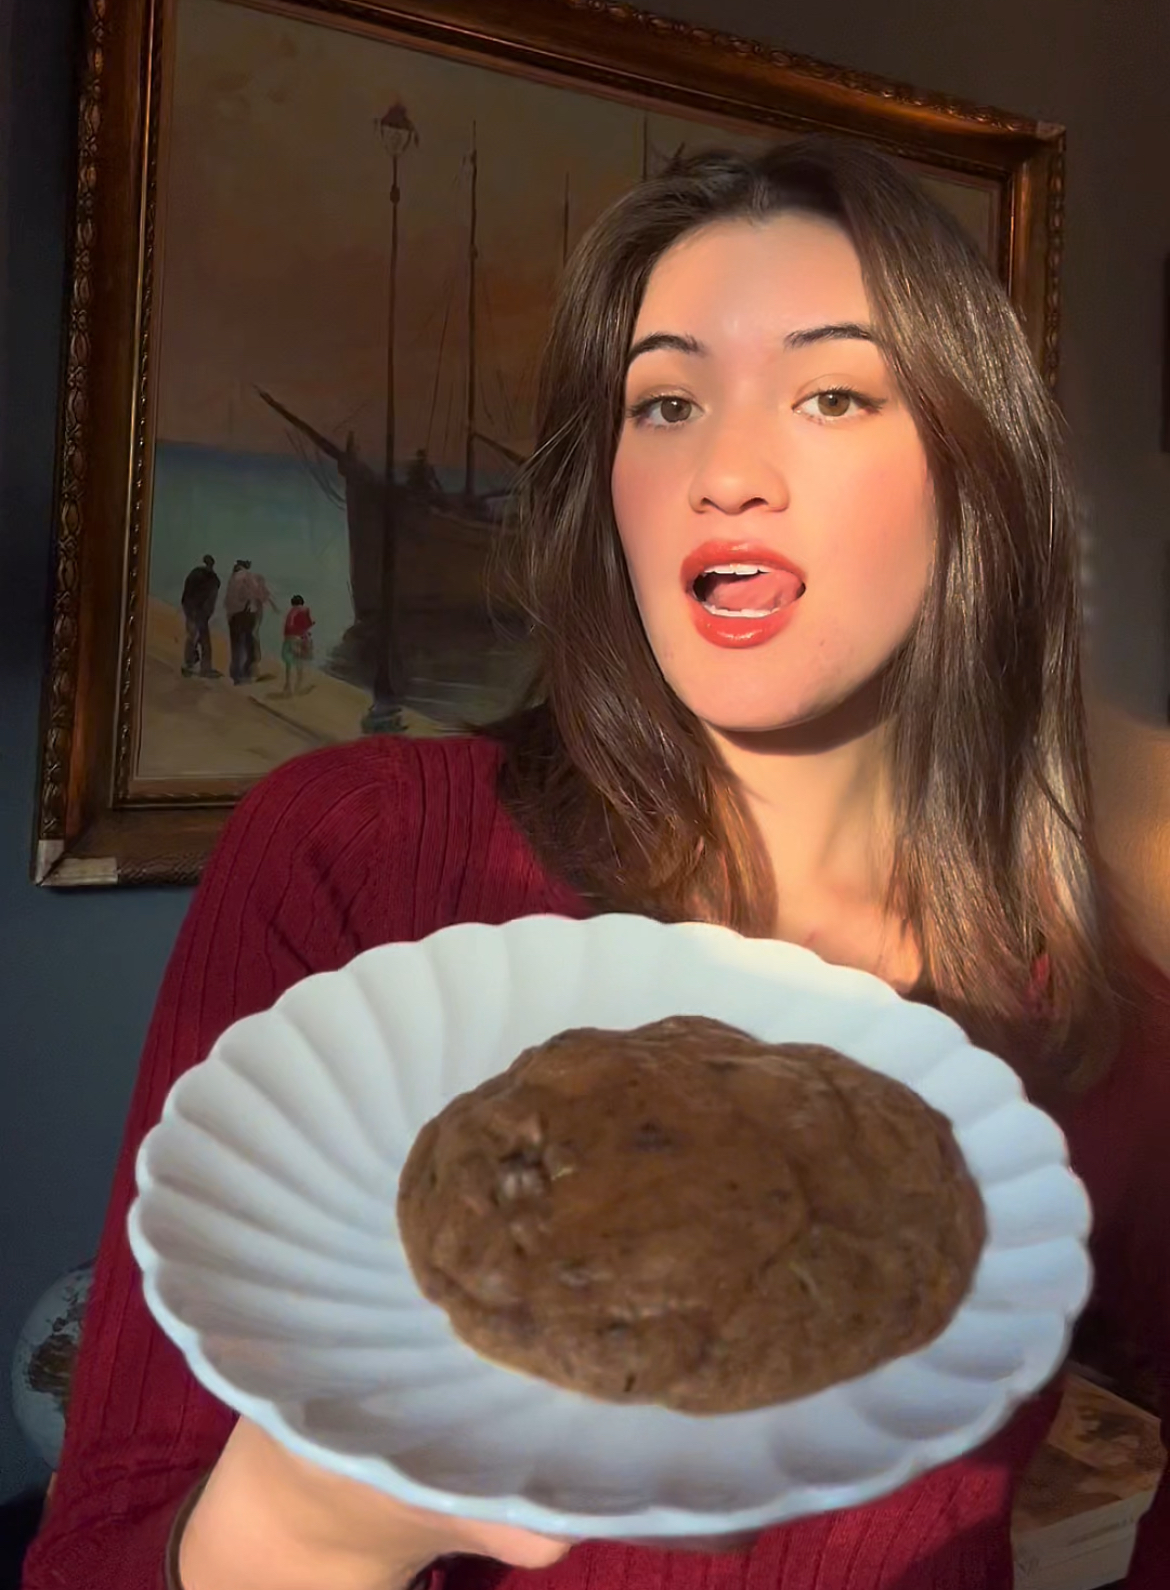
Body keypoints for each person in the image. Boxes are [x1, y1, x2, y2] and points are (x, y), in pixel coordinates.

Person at [25, 139, 1170, 1590]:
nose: (726, 471)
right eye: (666, 400)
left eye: (830, 393)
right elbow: (97, 1548)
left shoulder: (1099, 1031)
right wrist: (310, 1525)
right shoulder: (357, 857)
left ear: (977, 489)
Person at [223, 559, 277, 684]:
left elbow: (227, 602)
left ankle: (236, 674)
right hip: (245, 614)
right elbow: (259, 594)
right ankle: (247, 672)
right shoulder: (248, 576)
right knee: (248, 643)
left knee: (236, 645)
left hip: (233, 616)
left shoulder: (232, 579)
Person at [179, 554, 220, 678]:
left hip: (192, 609)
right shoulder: (212, 580)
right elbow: (209, 601)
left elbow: (186, 595)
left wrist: (187, 608)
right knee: (201, 640)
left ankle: (190, 665)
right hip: (198, 611)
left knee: (194, 637)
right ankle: (202, 668)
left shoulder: (196, 574)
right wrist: (205, 613)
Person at [280, 594, 315, 695]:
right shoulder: (306, 611)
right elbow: (308, 624)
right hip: (302, 639)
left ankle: (288, 686)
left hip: (291, 639)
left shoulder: (292, 611)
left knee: (288, 663)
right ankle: (297, 687)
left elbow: (289, 625)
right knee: (299, 664)